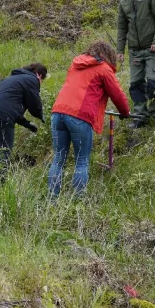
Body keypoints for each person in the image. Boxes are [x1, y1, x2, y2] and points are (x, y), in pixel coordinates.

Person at [48, 41, 131, 198]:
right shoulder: (104, 69)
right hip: (79, 116)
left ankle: (52, 200)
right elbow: (117, 95)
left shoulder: (76, 64)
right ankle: (78, 201)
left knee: (58, 159)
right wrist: (125, 112)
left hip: (57, 112)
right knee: (81, 161)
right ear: (109, 55)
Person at [116, 0, 155, 128]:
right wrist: (119, 50)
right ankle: (140, 117)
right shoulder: (124, 2)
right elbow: (122, 27)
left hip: (154, 49)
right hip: (135, 51)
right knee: (136, 84)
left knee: (153, 83)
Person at [0, 62, 47, 182]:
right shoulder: (31, 79)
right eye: (42, 79)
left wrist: (27, 124)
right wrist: (43, 118)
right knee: (4, 150)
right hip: (1, 114)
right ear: (39, 74)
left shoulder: (14, 79)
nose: (40, 83)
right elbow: (34, 104)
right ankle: (1, 184)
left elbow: (12, 110)